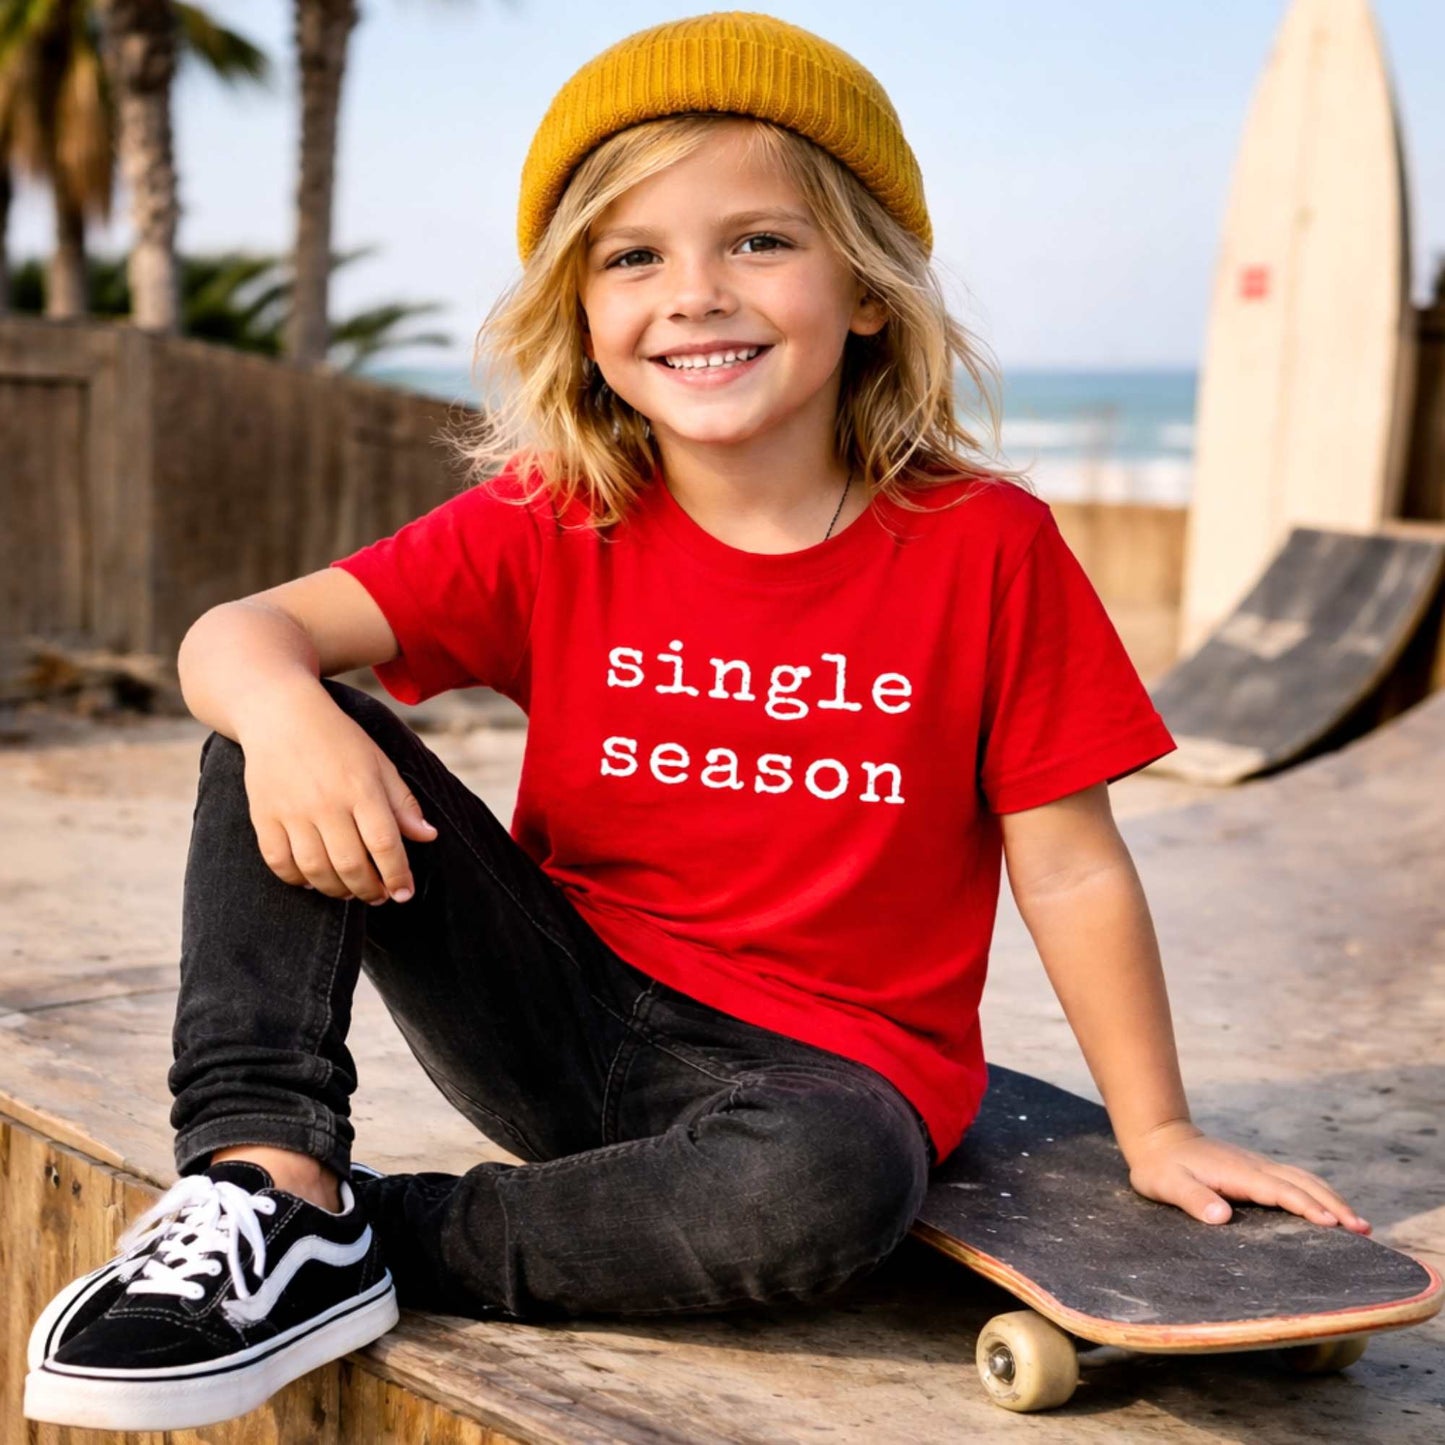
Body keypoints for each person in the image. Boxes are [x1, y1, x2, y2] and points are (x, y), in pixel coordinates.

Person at [24, 10, 1369, 1433]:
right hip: (553, 1013)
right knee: (273, 720)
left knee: (830, 1189)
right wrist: (287, 709)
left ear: (866, 290)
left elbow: (1074, 863)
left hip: (821, 1080)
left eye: (759, 242)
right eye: (634, 258)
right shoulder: (559, 517)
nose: (696, 295)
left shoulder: (986, 546)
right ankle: (264, 1180)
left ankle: (369, 1242)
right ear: (581, 311)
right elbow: (232, 636)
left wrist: (1155, 1128)